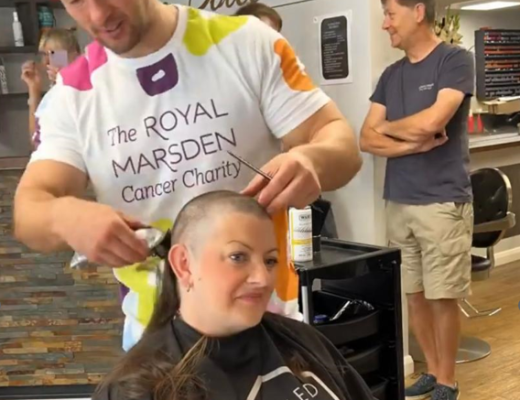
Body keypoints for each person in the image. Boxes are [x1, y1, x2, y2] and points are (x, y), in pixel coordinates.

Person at [13, 0, 362, 351]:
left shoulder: (246, 43)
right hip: (155, 344)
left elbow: (341, 144)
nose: (99, 14)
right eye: (76, 1)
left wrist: (312, 159)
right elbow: (29, 210)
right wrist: (67, 217)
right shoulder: (72, 95)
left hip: (270, 327)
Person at [92, 191, 375, 400]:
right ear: (184, 264)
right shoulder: (136, 388)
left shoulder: (301, 340)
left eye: (270, 260)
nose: (262, 278)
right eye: (238, 257)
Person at [360, 1, 474, 399]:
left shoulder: (454, 60)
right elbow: (365, 138)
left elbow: (432, 122)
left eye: (391, 13)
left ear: (418, 11)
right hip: (399, 199)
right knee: (414, 292)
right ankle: (429, 368)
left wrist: (391, 129)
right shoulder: (391, 76)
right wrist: (410, 144)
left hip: (442, 201)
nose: (384, 24)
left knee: (444, 294)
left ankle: (446, 379)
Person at [20, 28, 81, 149]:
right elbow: (37, 139)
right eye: (44, 55)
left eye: (54, 54)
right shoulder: (53, 94)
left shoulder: (82, 91)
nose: (47, 61)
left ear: (75, 56)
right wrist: (34, 89)